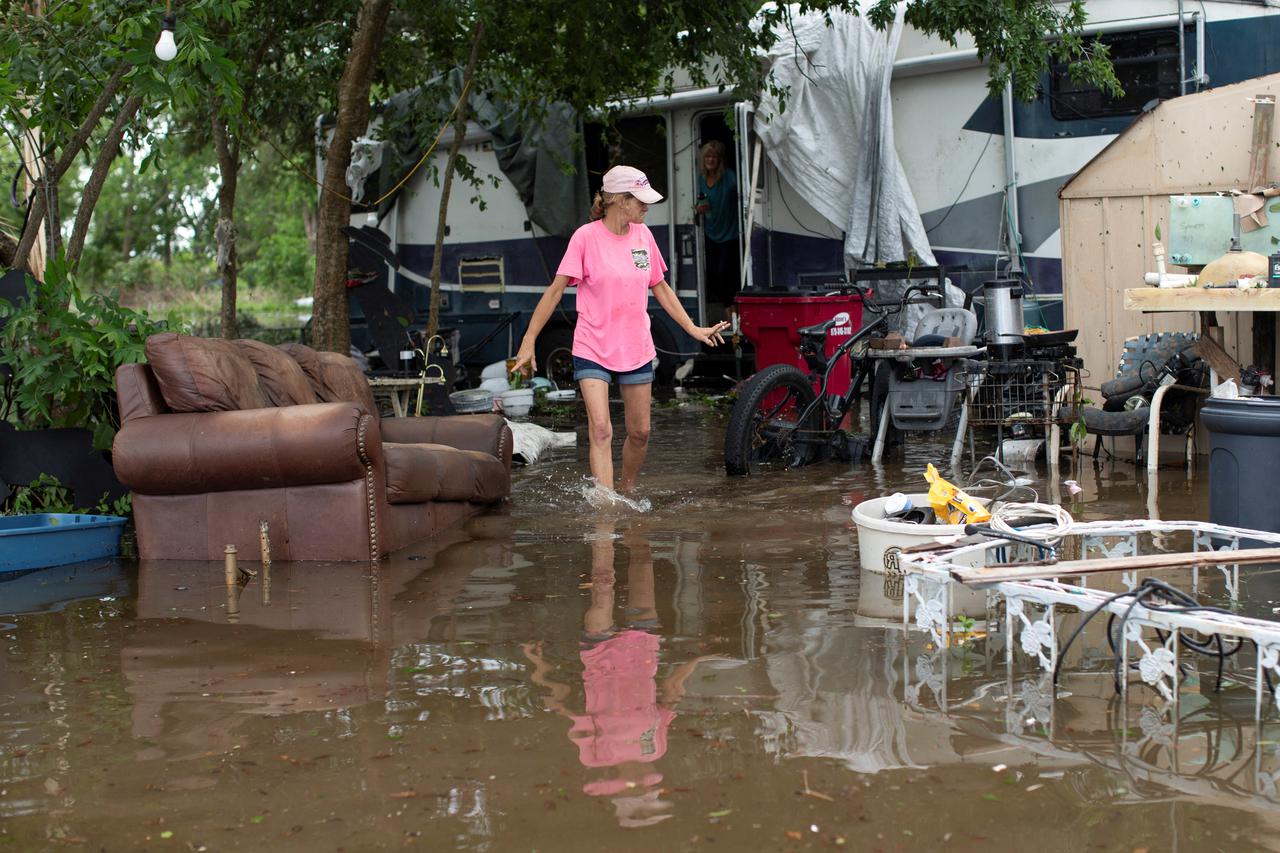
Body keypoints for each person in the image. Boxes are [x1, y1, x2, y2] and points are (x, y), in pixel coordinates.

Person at [512, 164, 729, 496]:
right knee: (601, 429)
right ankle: (606, 509)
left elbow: (660, 286)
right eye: (640, 200)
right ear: (619, 200)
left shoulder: (644, 237)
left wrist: (692, 328)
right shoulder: (585, 238)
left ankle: (625, 492)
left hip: (635, 347)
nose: (646, 207)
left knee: (640, 432)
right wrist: (529, 341)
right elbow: (555, 292)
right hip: (592, 346)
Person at [694, 141, 740, 316]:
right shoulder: (701, 179)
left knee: (726, 272)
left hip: (730, 232)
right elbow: (701, 199)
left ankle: (732, 309)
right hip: (711, 231)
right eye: (707, 156)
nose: (711, 160)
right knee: (714, 273)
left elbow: (741, 192)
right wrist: (699, 208)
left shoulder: (729, 177)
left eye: (714, 156)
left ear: (720, 159)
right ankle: (729, 308)